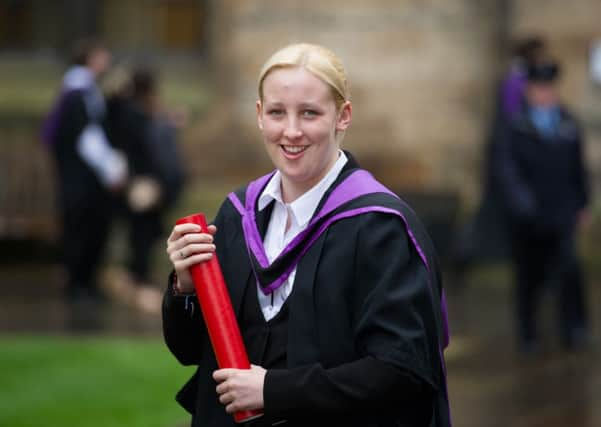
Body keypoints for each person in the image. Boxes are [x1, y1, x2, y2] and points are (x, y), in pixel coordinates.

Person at [162, 43, 451, 427]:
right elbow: (190, 350)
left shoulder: (379, 227)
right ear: (260, 115)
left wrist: (274, 391)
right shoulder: (237, 215)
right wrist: (186, 289)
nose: (292, 131)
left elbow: (401, 371)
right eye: (278, 113)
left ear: (342, 116)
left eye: (310, 113)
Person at [492, 59, 591, 352]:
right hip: (529, 217)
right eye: (539, 88)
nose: (545, 93)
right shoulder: (516, 125)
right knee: (529, 277)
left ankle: (574, 329)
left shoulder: (566, 122)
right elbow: (506, 169)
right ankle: (528, 334)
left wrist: (582, 203)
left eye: (549, 87)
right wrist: (523, 204)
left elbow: (577, 168)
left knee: (570, 271)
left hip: (561, 212)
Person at [42, 38, 127, 303]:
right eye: (102, 55)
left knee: (86, 227)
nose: (107, 60)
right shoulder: (78, 91)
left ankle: (84, 282)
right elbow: (87, 138)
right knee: (81, 228)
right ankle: (78, 285)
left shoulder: (83, 89)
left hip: (81, 177)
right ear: (90, 57)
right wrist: (112, 169)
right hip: (80, 178)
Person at [104, 66, 186, 313]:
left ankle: (139, 278)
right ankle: (138, 281)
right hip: (143, 183)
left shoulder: (141, 114)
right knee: (142, 232)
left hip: (147, 182)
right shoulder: (133, 115)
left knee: (147, 231)